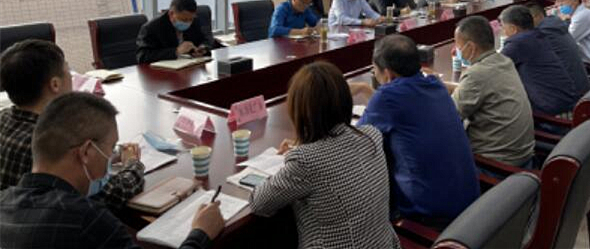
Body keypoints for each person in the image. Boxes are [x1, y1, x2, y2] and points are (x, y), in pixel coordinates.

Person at [0, 93, 224, 248]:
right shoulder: (86, 220)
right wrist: (200, 233)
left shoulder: (4, 201)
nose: (111, 157)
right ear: (86, 152)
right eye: (110, 149)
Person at [249, 62, 400, 249]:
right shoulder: (372, 135)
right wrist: (304, 148)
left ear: (300, 111)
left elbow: (259, 203)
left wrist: (299, 155)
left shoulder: (306, 162)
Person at [352, 35, 480, 227]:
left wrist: (363, 89)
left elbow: (355, 143)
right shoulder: (435, 85)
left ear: (388, 75)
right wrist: (367, 90)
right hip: (470, 204)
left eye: (375, 71)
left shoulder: (387, 97)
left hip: (430, 216)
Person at [0, 40, 144, 210]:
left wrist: (106, 155)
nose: (72, 78)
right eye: (68, 71)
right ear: (55, 84)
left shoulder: (4, 118)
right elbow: (111, 195)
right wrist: (134, 165)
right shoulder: (48, 142)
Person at [442, 16, 535, 167]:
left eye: (458, 45)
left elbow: (449, 117)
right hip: (522, 155)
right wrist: (443, 86)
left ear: (471, 47)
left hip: (496, 164)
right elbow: (477, 90)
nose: (456, 50)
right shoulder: (503, 61)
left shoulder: (476, 74)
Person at [499, 6, 580, 115]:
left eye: (503, 27)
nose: (502, 31)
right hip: (565, 102)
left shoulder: (519, 43)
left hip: (552, 111)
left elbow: (493, 66)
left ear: (513, 29)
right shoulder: (537, 35)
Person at [526, 3, 590, 97]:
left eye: (527, 20)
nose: (525, 24)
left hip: (572, 95)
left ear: (538, 16)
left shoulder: (543, 33)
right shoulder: (555, 25)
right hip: (581, 88)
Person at [136, 0, 211, 64]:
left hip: (189, 67)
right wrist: (176, 51)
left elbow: (207, 39)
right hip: (162, 71)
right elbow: (142, 56)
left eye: (191, 19)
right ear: (171, 14)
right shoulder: (152, 28)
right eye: (184, 20)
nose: (188, 22)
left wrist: (202, 48)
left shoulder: (194, 21)